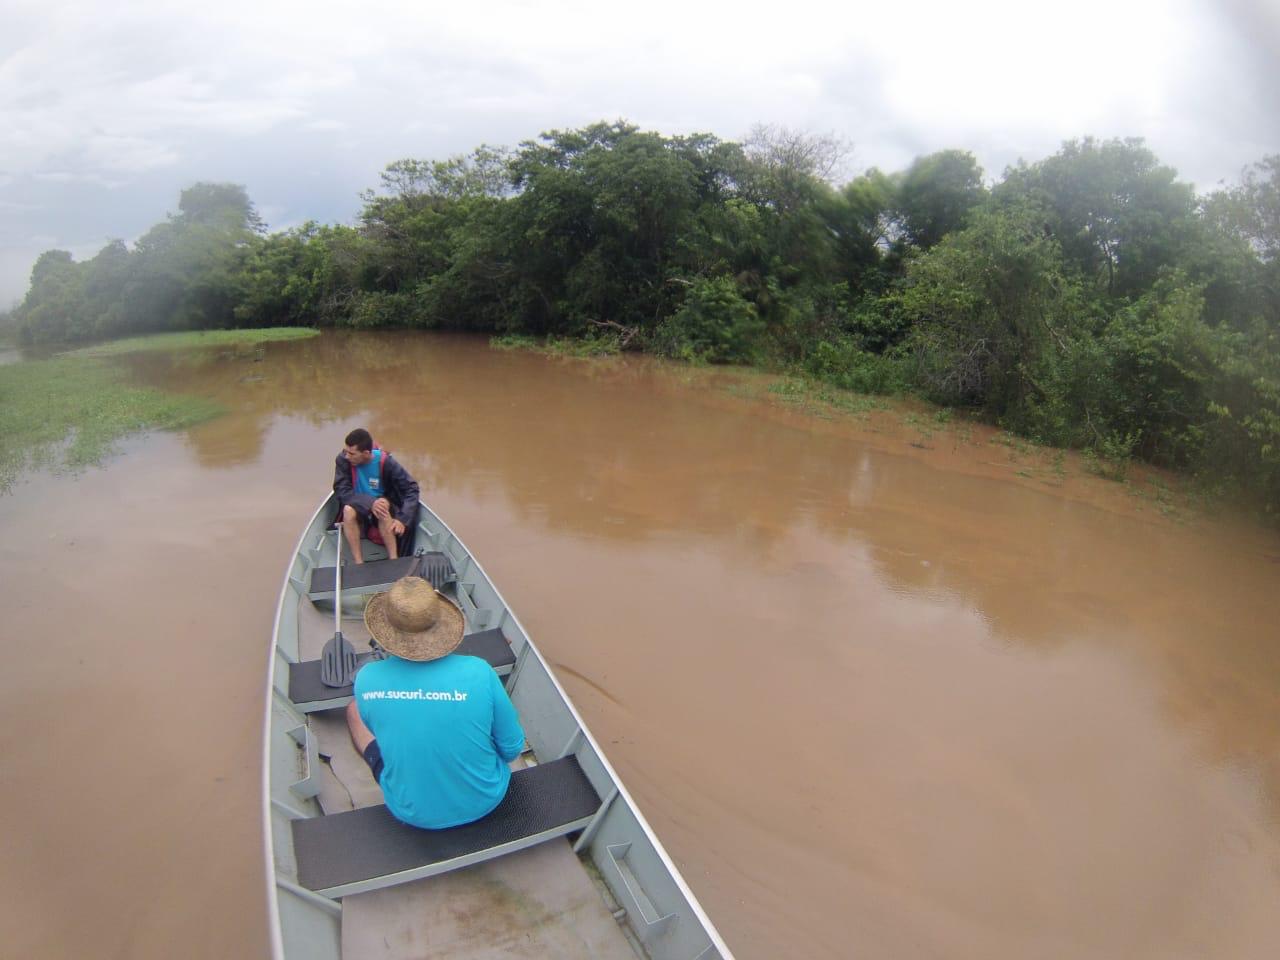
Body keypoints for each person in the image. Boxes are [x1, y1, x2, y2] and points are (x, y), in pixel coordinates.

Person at [346, 576, 526, 829]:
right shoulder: (480, 671)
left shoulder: (366, 679)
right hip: (487, 798)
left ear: (385, 631)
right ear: (442, 624)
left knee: (354, 710)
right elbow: (511, 749)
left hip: (411, 812)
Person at [333, 427, 419, 563]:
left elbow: (411, 488)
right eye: (346, 452)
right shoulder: (343, 460)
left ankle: (394, 560)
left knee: (382, 507)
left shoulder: (386, 463)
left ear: (366, 453)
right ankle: (358, 561)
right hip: (357, 503)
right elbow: (342, 491)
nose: (347, 456)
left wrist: (403, 519)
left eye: (352, 453)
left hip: (382, 503)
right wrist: (369, 503)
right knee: (347, 511)